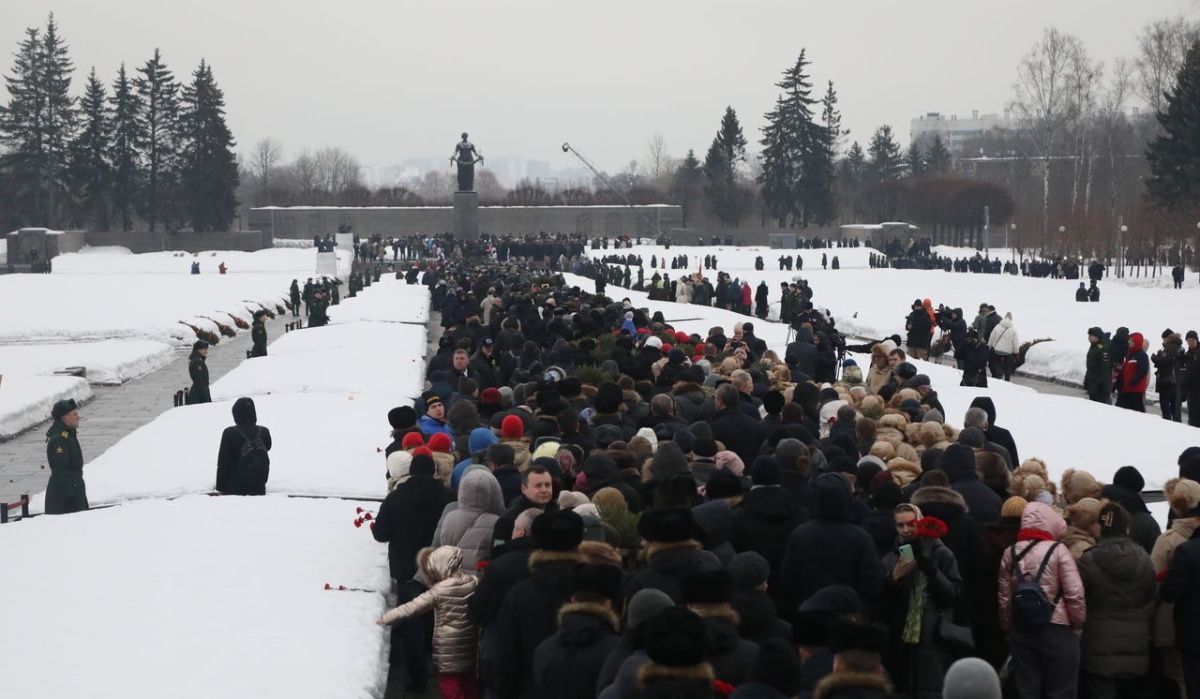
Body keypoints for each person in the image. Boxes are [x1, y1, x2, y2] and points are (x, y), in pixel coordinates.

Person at [998, 501, 1086, 699]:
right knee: (1061, 689)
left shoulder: (1009, 552)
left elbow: (1004, 597)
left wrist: (1007, 627)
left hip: (1022, 629)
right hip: (1057, 628)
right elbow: (1075, 592)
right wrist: (1077, 624)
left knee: (1027, 689)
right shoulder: (1058, 550)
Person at [880, 503, 963, 698]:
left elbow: (953, 594)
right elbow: (882, 600)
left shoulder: (941, 554)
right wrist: (893, 579)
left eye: (910, 524)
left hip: (932, 636)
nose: (906, 529)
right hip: (900, 639)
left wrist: (932, 572)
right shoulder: (892, 557)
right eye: (900, 525)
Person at [376, 545, 480, 699]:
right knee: (467, 679)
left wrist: (387, 617)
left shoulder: (439, 591)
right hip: (471, 643)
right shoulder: (473, 582)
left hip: (448, 647)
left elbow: (413, 607)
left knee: (449, 682)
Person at [1076, 502, 1157, 699]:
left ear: (1100, 527)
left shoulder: (1088, 559)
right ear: (1127, 528)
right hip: (1136, 641)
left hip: (1097, 642)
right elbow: (1150, 594)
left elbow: (1078, 597)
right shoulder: (1144, 558)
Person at [215, 397, 272, 495]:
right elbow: (268, 446)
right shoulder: (264, 432)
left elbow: (223, 463)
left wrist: (220, 487)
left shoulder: (229, 433)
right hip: (259, 488)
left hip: (234, 490)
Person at [44, 398, 87, 514]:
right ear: (65, 417)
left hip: (74, 490)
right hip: (64, 500)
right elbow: (60, 471)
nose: (78, 417)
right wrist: (70, 498)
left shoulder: (68, 434)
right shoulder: (60, 439)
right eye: (74, 414)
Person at [1153, 330, 1184, 422]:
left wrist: (1155, 357)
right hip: (1176, 381)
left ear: (1169, 338)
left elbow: (1165, 362)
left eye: (1164, 339)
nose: (1163, 341)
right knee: (1175, 409)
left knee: (1166, 407)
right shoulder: (1180, 348)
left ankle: (1169, 426)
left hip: (1167, 382)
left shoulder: (1170, 347)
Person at [1115, 332, 1150, 412]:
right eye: (1129, 340)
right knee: (1119, 410)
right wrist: (1119, 382)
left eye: (1132, 340)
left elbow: (1143, 370)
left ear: (1137, 342)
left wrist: (1133, 381)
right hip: (1126, 389)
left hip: (1135, 391)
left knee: (1137, 412)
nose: (1129, 342)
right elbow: (1125, 369)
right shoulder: (1130, 354)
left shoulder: (1142, 355)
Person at [986, 312, 1018, 382]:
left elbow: (992, 337)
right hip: (1008, 352)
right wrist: (1016, 352)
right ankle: (1007, 380)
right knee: (1007, 367)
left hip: (997, 350)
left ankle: (999, 375)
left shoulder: (998, 326)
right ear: (1011, 319)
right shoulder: (1013, 329)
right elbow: (1015, 342)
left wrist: (989, 346)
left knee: (997, 363)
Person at [1085, 327, 1112, 404]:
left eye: (1090, 336)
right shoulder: (1094, 346)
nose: (1088, 338)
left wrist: (1099, 384)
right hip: (1093, 383)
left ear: (1096, 336)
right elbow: (1090, 366)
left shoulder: (1103, 348)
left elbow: (1105, 368)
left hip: (1100, 386)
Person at [185, 340, 211, 404]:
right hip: (199, 395)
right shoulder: (197, 362)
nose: (206, 352)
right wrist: (205, 396)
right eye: (205, 349)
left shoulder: (197, 360)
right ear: (198, 350)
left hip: (199, 392)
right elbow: (199, 380)